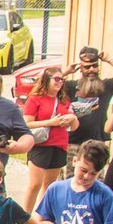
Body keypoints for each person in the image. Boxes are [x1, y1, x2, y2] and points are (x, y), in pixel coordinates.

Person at [20, 67, 75, 213]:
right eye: (56, 79)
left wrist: (72, 119)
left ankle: (40, 216)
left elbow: (74, 126)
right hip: (41, 144)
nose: (59, 82)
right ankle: (25, 218)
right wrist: (50, 123)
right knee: (34, 184)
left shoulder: (64, 100)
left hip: (59, 144)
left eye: (62, 80)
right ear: (46, 80)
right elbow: (27, 123)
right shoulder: (35, 98)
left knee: (49, 185)